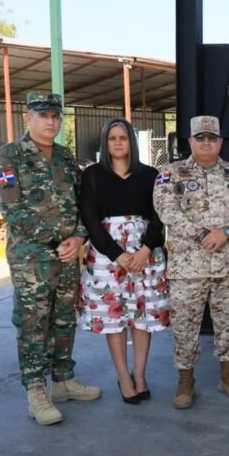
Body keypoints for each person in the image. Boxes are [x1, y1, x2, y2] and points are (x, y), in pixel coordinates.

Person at [0, 92, 100, 426]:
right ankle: (36, 390)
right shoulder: (8, 157)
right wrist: (57, 241)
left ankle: (63, 380)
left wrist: (78, 237)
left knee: (64, 318)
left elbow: (82, 203)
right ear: (29, 118)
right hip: (31, 259)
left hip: (67, 254)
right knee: (33, 322)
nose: (51, 122)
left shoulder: (65, 157)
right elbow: (12, 210)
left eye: (55, 116)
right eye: (44, 116)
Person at [152, 115, 229, 409]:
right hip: (188, 268)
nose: (207, 143)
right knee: (185, 327)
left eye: (212, 137)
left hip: (228, 265)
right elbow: (166, 210)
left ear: (221, 142)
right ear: (190, 141)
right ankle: (185, 381)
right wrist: (201, 234)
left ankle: (228, 377)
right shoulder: (171, 174)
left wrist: (226, 232)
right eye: (200, 138)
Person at [77, 117, 168, 404]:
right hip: (107, 255)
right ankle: (123, 377)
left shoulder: (150, 174)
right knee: (114, 318)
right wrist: (118, 254)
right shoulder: (93, 175)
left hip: (145, 254)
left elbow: (159, 216)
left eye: (123, 137)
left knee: (142, 316)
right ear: (105, 143)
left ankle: (139, 374)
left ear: (132, 142)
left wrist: (144, 250)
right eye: (112, 138)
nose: (117, 143)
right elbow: (90, 220)